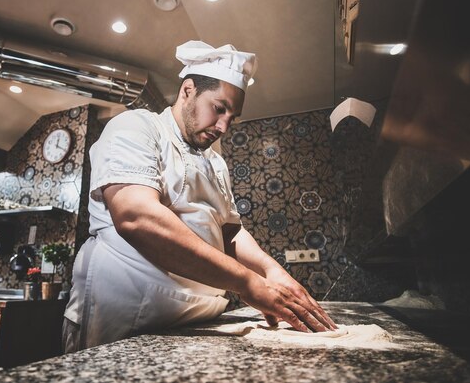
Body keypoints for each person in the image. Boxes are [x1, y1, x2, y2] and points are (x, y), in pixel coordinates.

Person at [63, 40, 336, 352]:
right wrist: (248, 283)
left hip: (198, 322)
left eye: (232, 117)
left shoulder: (215, 163)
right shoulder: (136, 126)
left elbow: (230, 232)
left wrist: (271, 271)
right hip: (124, 320)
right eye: (219, 109)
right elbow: (136, 217)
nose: (223, 127)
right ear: (187, 90)